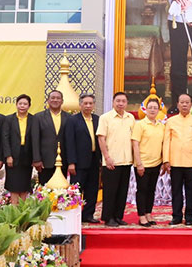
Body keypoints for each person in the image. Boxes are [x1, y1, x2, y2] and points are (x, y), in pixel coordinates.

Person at [162, 94, 192, 225]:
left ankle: (190, 217)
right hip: (175, 161)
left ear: (191, 104)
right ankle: (176, 216)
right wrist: (166, 160)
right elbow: (166, 142)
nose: (185, 105)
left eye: (187, 102)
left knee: (191, 191)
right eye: (182, 102)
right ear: (177, 105)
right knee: (176, 191)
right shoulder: (171, 121)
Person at [96, 91, 136, 227]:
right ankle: (108, 218)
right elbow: (101, 138)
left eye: (123, 101)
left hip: (127, 160)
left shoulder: (131, 118)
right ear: (113, 102)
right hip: (112, 160)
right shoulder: (105, 118)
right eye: (118, 101)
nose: (120, 103)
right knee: (110, 191)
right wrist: (106, 157)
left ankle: (119, 216)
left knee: (122, 191)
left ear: (127, 103)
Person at [65, 94, 101, 223]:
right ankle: (75, 215)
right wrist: (71, 162)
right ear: (80, 105)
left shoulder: (97, 119)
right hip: (79, 161)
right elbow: (69, 142)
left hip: (94, 159)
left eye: (90, 103)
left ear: (94, 105)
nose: (88, 106)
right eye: (85, 103)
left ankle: (88, 214)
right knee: (77, 189)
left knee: (92, 189)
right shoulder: (73, 120)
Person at [131, 98, 165, 226]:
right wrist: (139, 163)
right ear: (145, 109)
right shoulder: (140, 124)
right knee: (142, 190)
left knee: (151, 190)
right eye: (150, 107)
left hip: (156, 163)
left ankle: (148, 213)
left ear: (158, 110)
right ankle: (141, 215)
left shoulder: (161, 125)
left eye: (155, 108)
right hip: (143, 163)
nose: (152, 110)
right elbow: (135, 144)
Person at [31, 90, 68, 186]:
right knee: (44, 191)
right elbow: (35, 140)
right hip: (44, 162)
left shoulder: (69, 117)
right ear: (48, 100)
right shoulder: (38, 117)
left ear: (62, 101)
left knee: (61, 192)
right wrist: (37, 159)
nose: (55, 100)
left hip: (63, 160)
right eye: (53, 98)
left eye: (58, 98)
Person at [4, 95, 34, 204]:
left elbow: (35, 139)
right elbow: (5, 138)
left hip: (27, 156)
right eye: (20, 103)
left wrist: (35, 158)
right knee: (13, 185)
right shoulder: (8, 119)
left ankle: (23, 210)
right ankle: (14, 209)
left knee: (25, 185)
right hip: (13, 156)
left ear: (29, 106)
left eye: (25, 104)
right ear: (16, 104)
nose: (22, 106)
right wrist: (8, 155)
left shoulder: (33, 119)